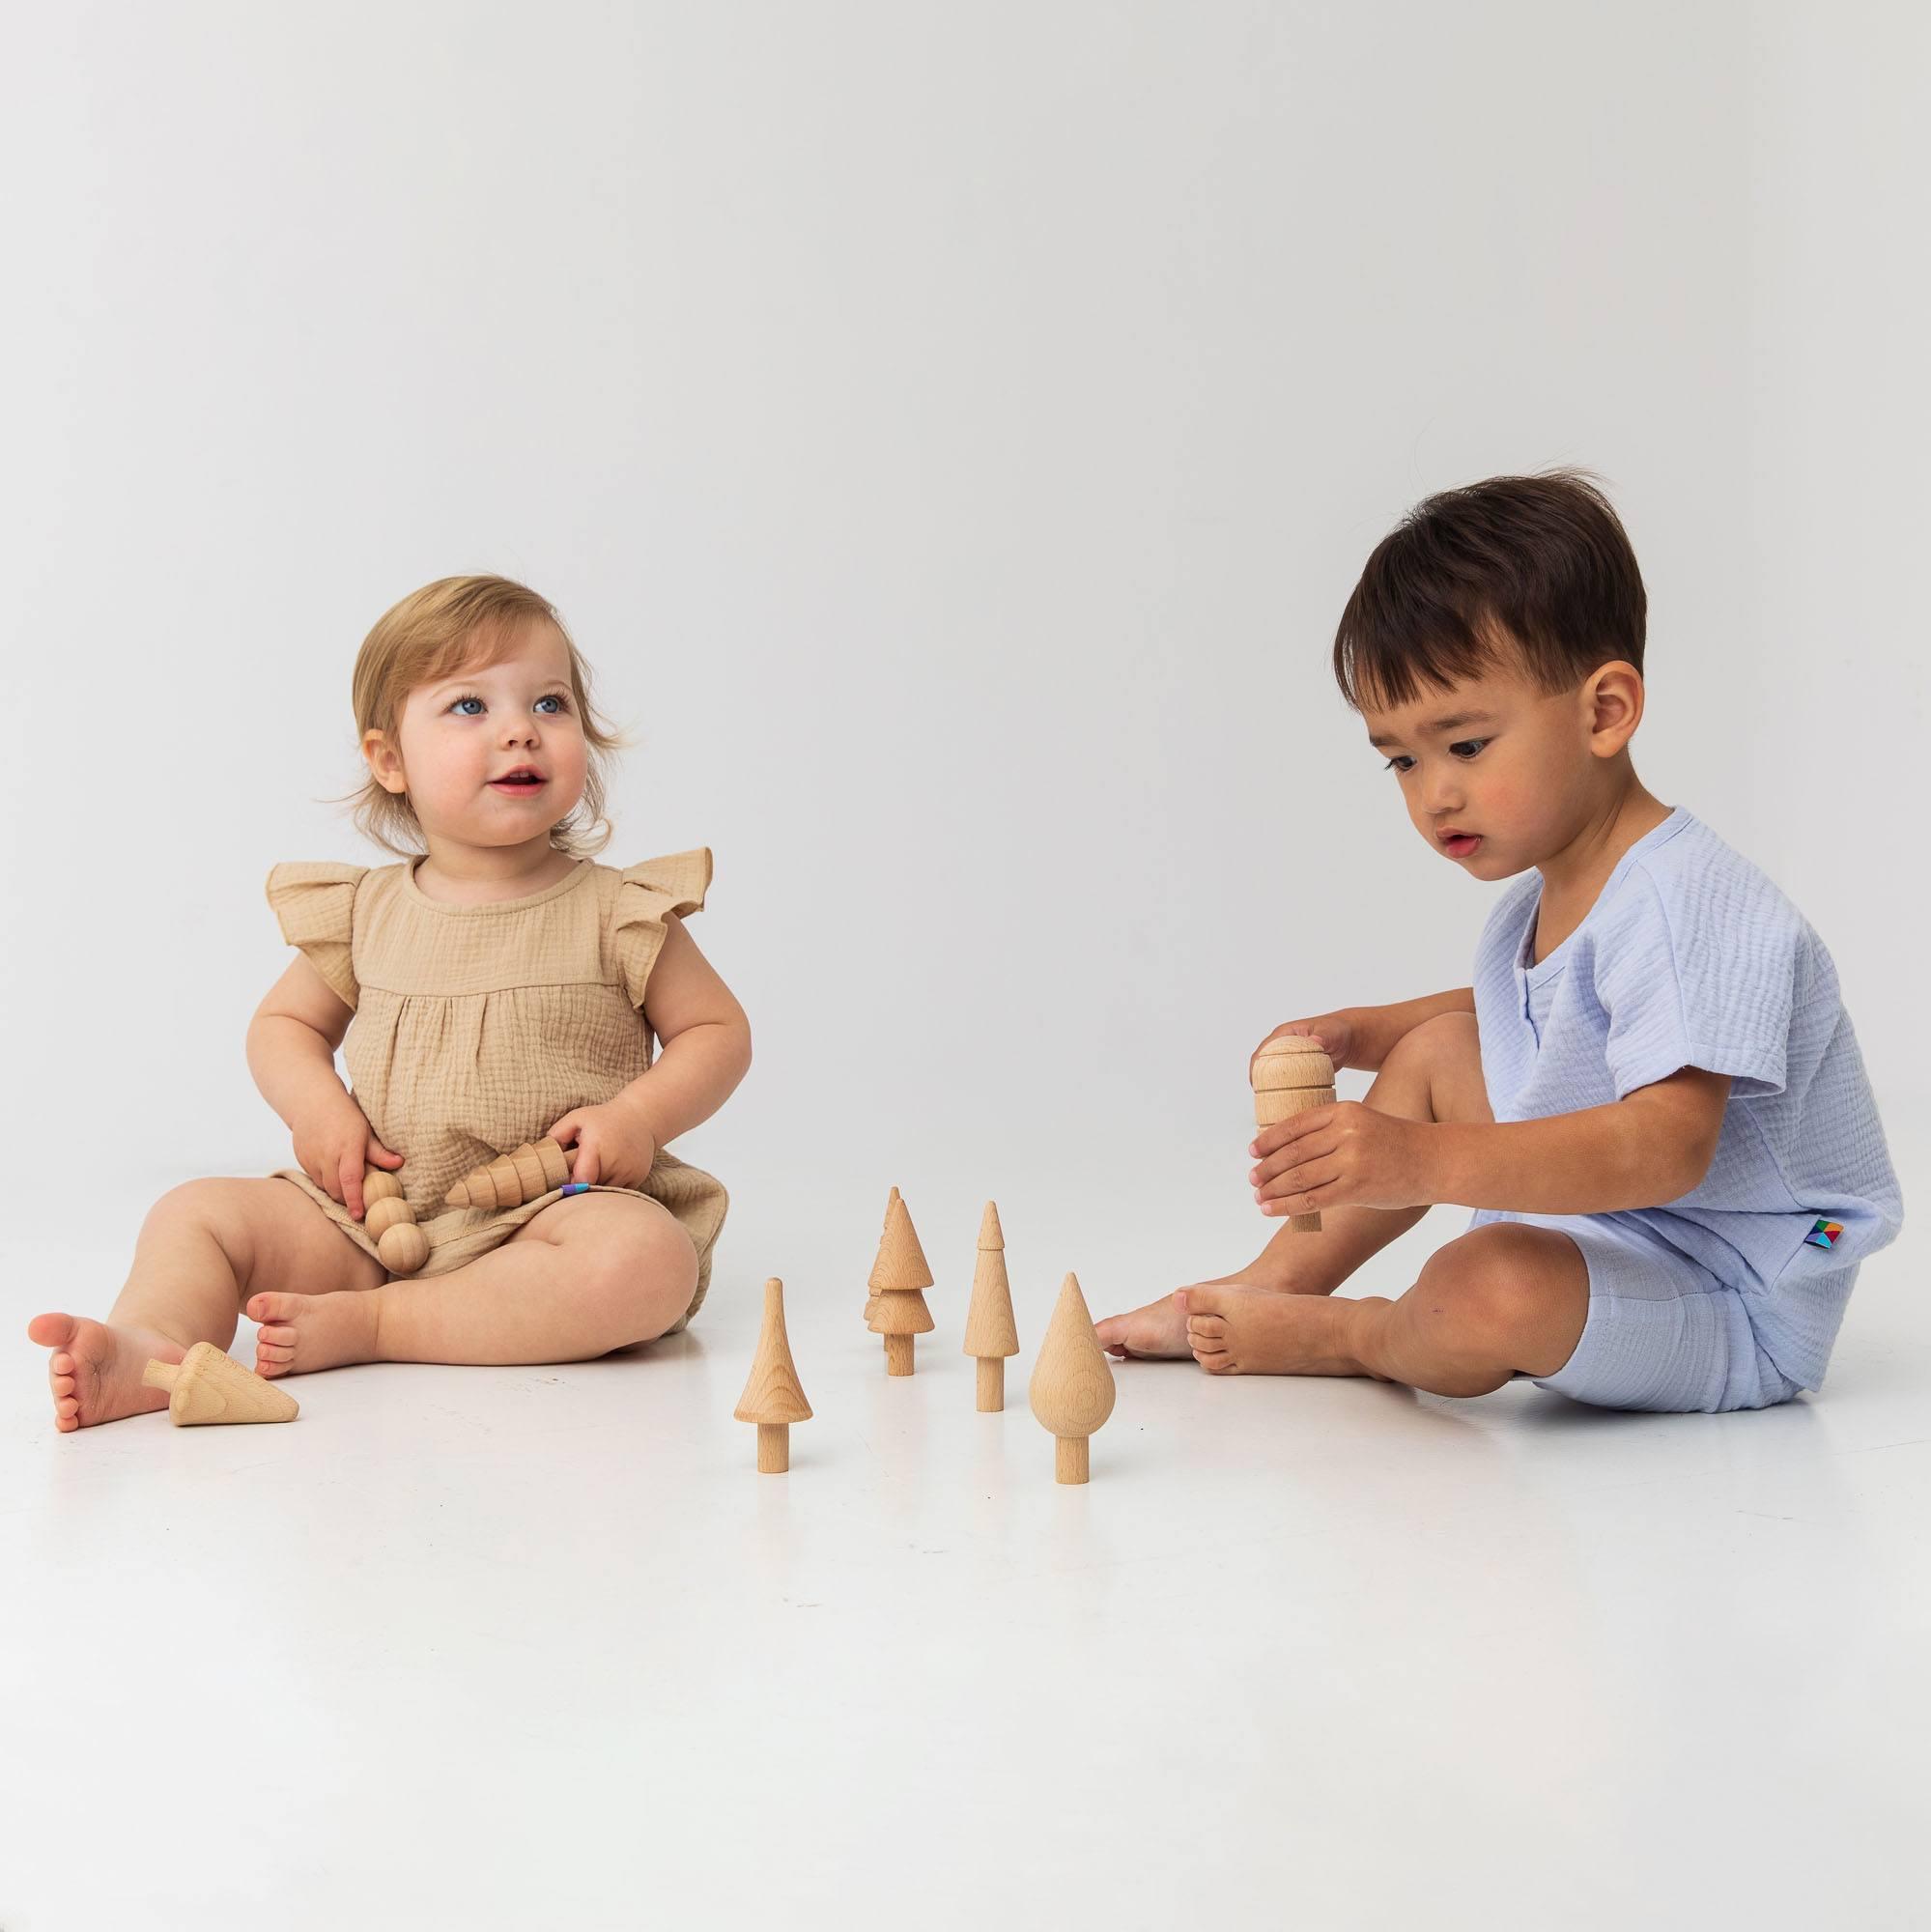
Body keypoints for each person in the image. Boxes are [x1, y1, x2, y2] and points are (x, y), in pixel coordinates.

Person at [1095, 470, 1903, 1412]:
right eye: (1401, 758)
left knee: (1490, 1280)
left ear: (1604, 710)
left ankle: (1354, 1334)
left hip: (1737, 1290)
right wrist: (1375, 1029)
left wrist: (1414, 1159)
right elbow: (1556, 1013)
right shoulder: (1554, 891)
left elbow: (1666, 1147)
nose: (1432, 792)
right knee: (1439, 1050)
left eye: (1466, 745)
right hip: (1621, 1228)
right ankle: (1274, 1277)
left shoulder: (1687, 901)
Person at [32, 575, 751, 1430]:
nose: (520, 728)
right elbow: (284, 1026)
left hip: (548, 1217)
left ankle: (379, 1325)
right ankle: (148, 1349)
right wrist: (319, 1112)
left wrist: (637, 1118)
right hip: (371, 1218)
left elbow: (716, 1032)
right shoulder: (365, 911)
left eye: (550, 703)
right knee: (194, 1213)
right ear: (389, 761)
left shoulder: (618, 911)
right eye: (468, 707)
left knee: (642, 1264)